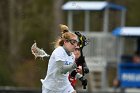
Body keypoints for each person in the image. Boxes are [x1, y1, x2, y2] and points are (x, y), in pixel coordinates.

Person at [41, 24, 86, 93]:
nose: (75, 45)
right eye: (73, 42)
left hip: (64, 86)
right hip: (51, 87)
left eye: (76, 42)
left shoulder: (72, 55)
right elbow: (62, 69)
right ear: (65, 42)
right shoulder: (59, 51)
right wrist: (75, 64)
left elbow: (71, 71)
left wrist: (80, 77)